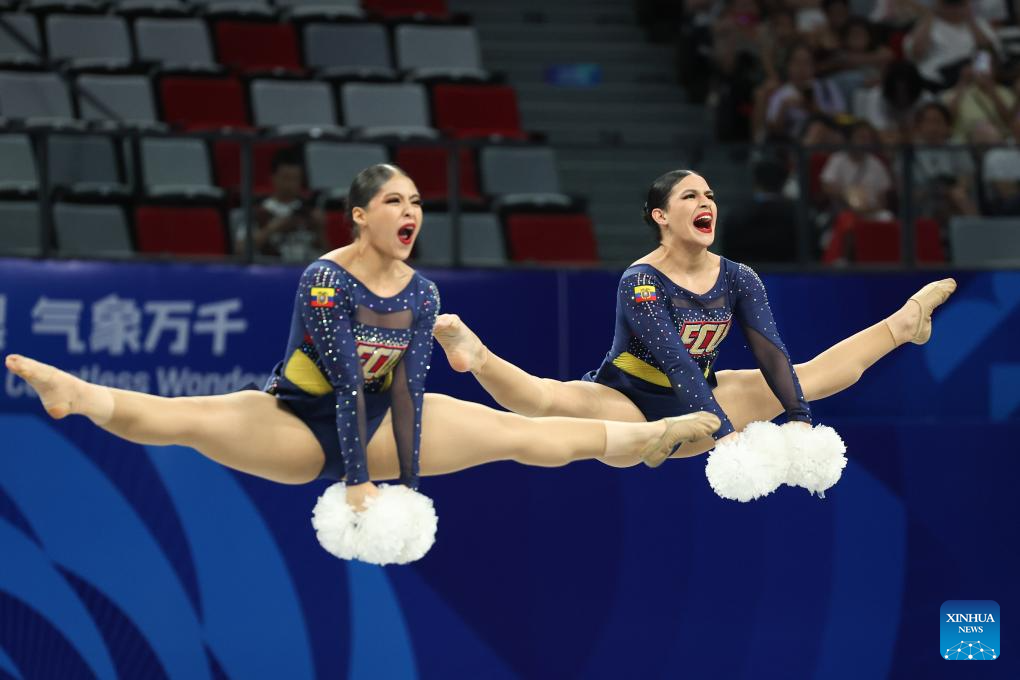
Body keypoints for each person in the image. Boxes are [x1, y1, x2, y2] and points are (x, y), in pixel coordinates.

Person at [5, 165, 721, 514]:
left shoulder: (422, 293)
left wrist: (402, 485)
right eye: (393, 201)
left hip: (381, 423)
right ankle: (81, 394)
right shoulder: (326, 280)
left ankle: (640, 438)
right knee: (183, 420)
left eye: (416, 202)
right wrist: (355, 482)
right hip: (296, 419)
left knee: (519, 434)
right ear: (359, 216)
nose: (411, 211)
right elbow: (345, 381)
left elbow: (403, 390)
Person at [432, 169, 956, 468]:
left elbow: (770, 352)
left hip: (704, 395)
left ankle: (903, 325)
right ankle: (478, 356)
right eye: (690, 196)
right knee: (545, 402)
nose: (706, 202)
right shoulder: (641, 280)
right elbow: (674, 360)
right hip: (630, 401)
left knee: (810, 377)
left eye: (709, 195)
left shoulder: (739, 277)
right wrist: (724, 434)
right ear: (661, 216)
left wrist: (798, 419)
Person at [235, 147, 327, 263]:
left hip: (305, 268)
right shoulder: (259, 211)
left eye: (295, 179)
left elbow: (328, 256)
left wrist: (320, 230)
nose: (290, 184)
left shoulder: (308, 211)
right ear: (273, 178)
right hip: (271, 269)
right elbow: (240, 250)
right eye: (286, 178)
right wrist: (271, 229)